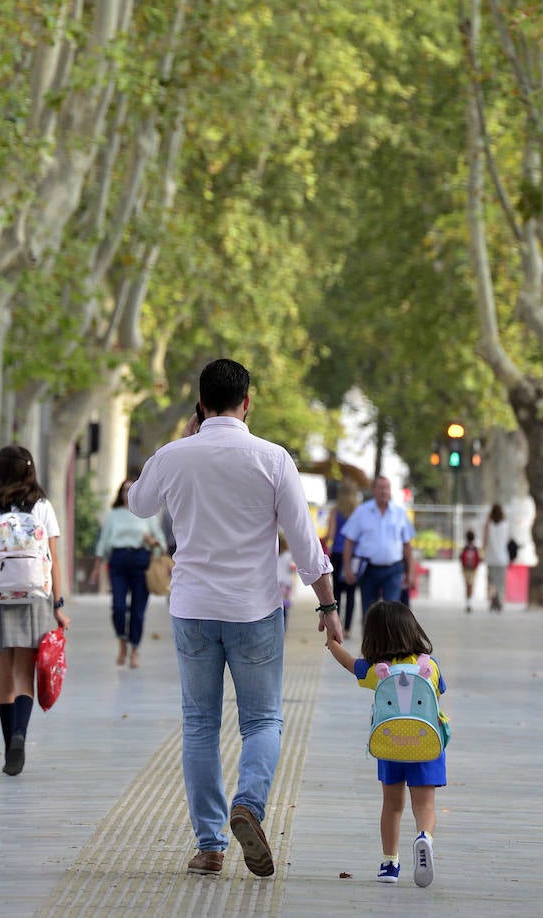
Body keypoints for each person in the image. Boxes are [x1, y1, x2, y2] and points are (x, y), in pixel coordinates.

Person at [127, 358, 342, 878]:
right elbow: (306, 546)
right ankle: (249, 803)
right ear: (248, 401)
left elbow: (137, 503)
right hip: (254, 609)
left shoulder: (175, 455)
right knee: (263, 720)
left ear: (200, 404)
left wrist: (176, 444)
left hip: (193, 609)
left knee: (200, 724)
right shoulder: (273, 459)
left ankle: (209, 845)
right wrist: (329, 606)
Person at [0, 445, 70, 775]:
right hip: (35, 596)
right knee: (25, 674)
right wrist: (59, 605)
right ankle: (21, 735)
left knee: (3, 675)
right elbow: (53, 560)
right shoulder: (43, 506)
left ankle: (10, 743)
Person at [326, 600, 447, 888]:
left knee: (392, 805)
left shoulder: (376, 669)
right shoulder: (429, 666)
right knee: (425, 805)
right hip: (426, 743)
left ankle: (390, 863)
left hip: (390, 743)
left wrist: (332, 643)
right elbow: (438, 696)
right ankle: (423, 838)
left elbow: (348, 663)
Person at [90, 477, 166, 669]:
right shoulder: (113, 515)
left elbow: (160, 542)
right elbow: (103, 542)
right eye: (124, 489)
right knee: (118, 607)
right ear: (121, 493)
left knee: (138, 611)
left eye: (131, 489)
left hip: (141, 561)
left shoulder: (148, 515)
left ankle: (134, 650)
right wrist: (96, 568)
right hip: (118, 562)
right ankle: (122, 642)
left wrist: (153, 543)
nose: (127, 493)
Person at [341, 476, 415, 621]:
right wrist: (348, 568)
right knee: (369, 613)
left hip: (393, 570)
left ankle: (391, 644)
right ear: (374, 490)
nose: (383, 491)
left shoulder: (399, 513)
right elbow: (349, 541)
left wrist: (411, 571)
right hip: (369, 569)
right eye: (380, 487)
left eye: (386, 487)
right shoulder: (362, 512)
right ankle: (371, 643)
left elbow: (407, 545)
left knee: (393, 613)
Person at [326, 487, 358, 639]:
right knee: (351, 592)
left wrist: (325, 540)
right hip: (354, 554)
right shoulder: (357, 511)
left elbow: (331, 534)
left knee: (337, 591)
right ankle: (347, 629)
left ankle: (336, 624)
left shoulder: (335, 511)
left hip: (338, 553)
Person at [483, 502, 510, 612]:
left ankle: (493, 601)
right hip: (503, 557)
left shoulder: (488, 524)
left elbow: (484, 541)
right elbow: (508, 539)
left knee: (492, 581)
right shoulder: (505, 524)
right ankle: (499, 601)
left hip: (490, 557)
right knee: (501, 582)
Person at [276, 533, 296, 630]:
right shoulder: (288, 555)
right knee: (285, 605)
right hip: (286, 583)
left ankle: (277, 625)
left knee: (276, 605)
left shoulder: (272, 555)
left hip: (276, 582)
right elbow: (292, 568)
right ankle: (284, 625)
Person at [459, 530, 481, 613]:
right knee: (470, 586)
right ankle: (469, 603)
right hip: (473, 570)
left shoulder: (465, 548)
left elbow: (460, 558)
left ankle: (468, 603)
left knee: (468, 586)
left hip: (466, 570)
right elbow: (479, 559)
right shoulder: (475, 548)